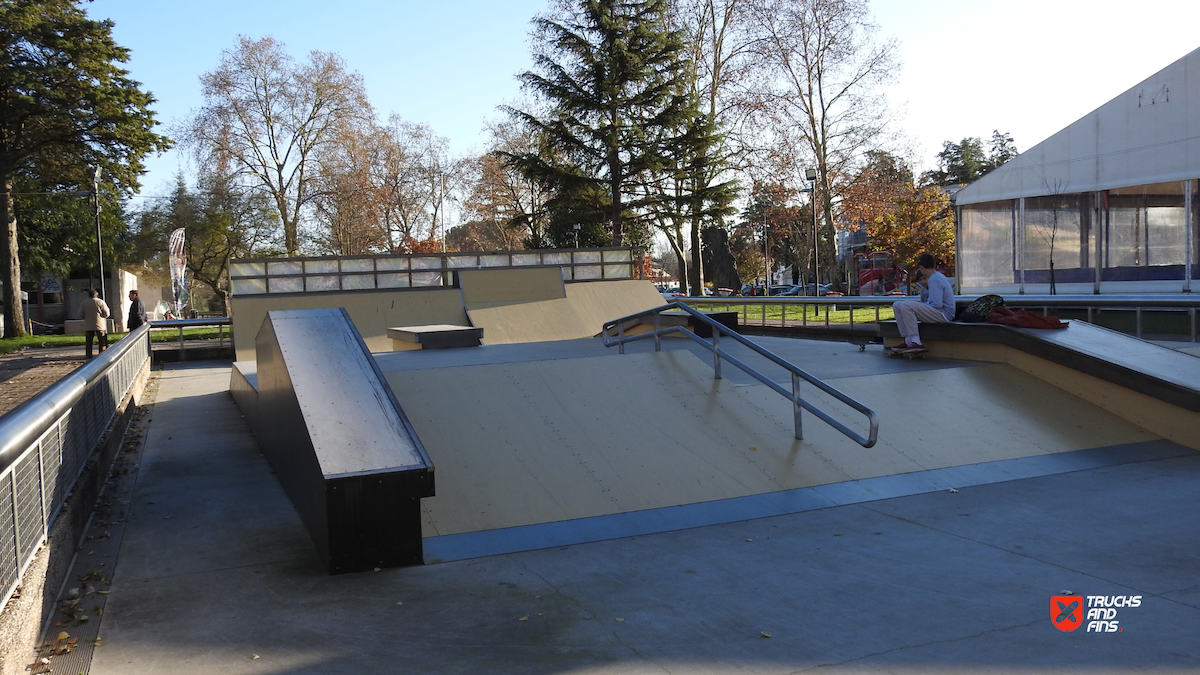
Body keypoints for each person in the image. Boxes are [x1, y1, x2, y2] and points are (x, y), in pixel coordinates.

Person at [891, 253, 954, 353]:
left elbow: (936, 304)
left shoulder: (934, 279)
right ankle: (908, 340)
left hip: (943, 314)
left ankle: (916, 341)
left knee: (906, 305)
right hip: (940, 312)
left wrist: (920, 307)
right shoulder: (936, 277)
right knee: (897, 305)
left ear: (921, 267)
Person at [80, 288, 111, 358]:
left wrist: (86, 317)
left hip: (89, 324)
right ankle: (102, 354)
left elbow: (81, 314)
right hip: (100, 324)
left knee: (89, 341)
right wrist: (103, 316)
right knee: (101, 340)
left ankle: (88, 355)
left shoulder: (84, 303)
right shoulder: (101, 302)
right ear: (97, 295)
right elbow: (107, 313)